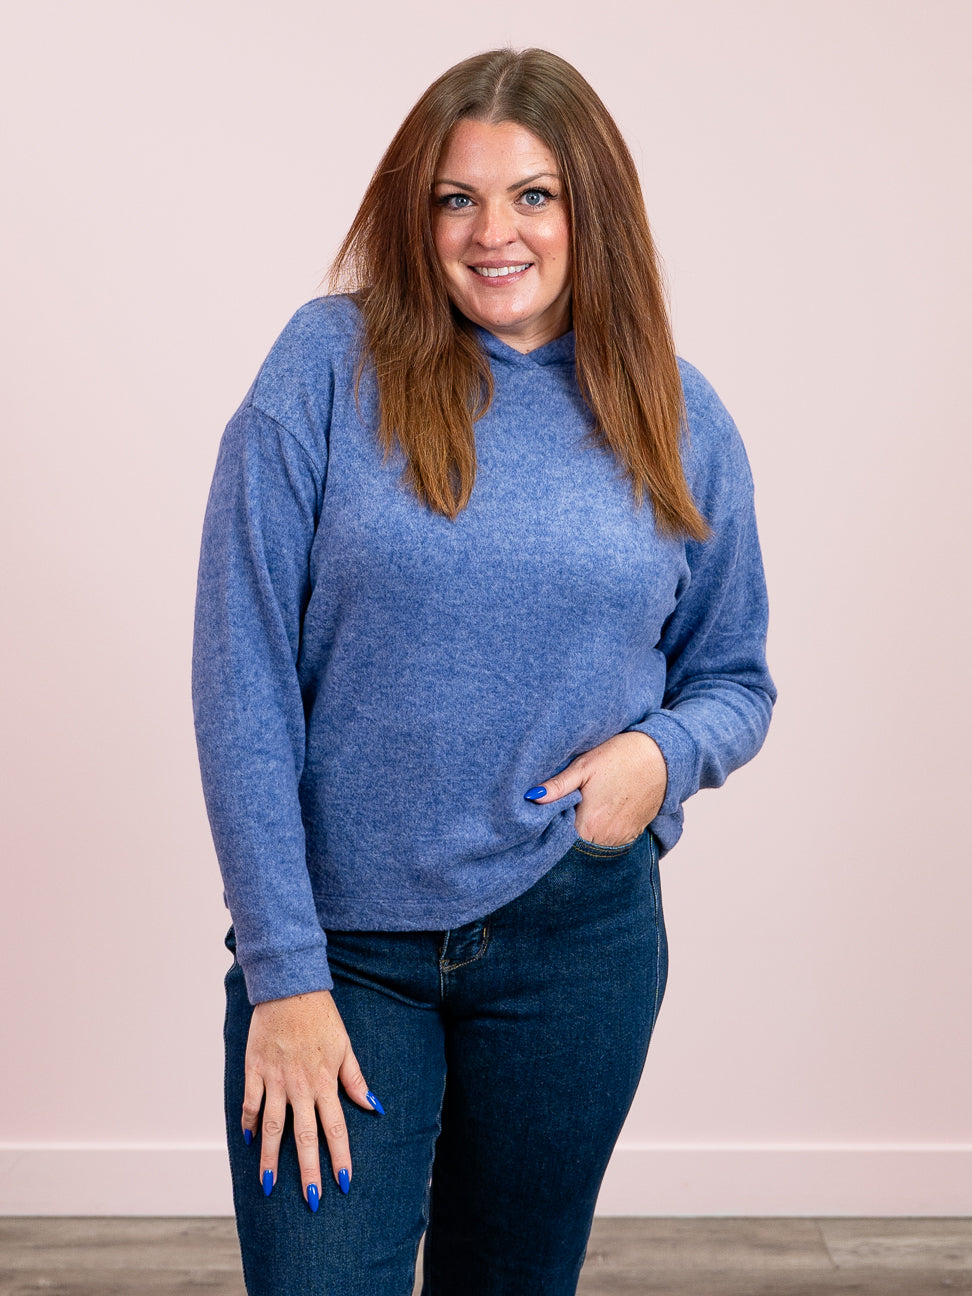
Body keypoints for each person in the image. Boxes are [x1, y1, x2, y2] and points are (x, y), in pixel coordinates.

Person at [192, 46, 775, 1296]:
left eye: (533, 196)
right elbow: (240, 675)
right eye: (456, 198)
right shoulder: (328, 366)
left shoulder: (676, 415)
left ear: (590, 211)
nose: (492, 232)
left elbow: (734, 677)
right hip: (343, 953)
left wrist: (661, 756)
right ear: (417, 213)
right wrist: (284, 974)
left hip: (576, 944)